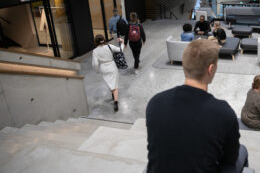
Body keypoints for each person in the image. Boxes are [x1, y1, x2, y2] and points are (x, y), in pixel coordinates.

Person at [146, 39, 248, 173]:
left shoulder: (155, 102)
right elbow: (229, 159)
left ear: (184, 64)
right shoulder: (223, 113)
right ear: (211, 69)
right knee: (242, 150)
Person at [92, 34, 124, 112]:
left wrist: (97, 70)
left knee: (110, 83)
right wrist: (122, 42)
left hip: (103, 68)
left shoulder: (95, 51)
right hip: (112, 66)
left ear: (96, 42)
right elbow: (120, 50)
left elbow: (95, 63)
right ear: (104, 40)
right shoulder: (109, 46)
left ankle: (113, 95)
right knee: (115, 84)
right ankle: (116, 102)